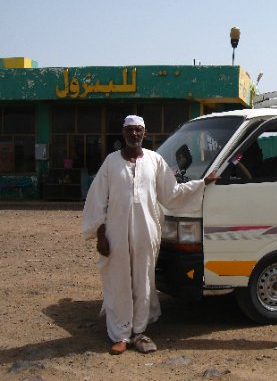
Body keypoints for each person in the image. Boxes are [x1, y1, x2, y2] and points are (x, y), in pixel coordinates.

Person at [82, 115, 217, 355]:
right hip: (116, 232)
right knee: (118, 280)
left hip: (146, 231)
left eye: (139, 131)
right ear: (123, 133)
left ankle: (139, 332)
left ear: (144, 133)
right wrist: (101, 235)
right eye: (130, 130)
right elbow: (97, 201)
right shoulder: (111, 163)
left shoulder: (155, 161)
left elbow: (171, 193)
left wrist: (202, 183)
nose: (135, 134)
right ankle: (120, 334)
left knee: (144, 281)